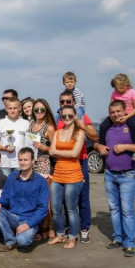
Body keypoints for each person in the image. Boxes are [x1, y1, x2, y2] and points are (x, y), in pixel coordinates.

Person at [95, 100, 135, 257]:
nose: (115, 115)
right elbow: (97, 144)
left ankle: (130, 243)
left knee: (127, 210)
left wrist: (125, 147)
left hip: (127, 175)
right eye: (112, 112)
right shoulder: (107, 128)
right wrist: (99, 147)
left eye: (118, 111)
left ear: (125, 111)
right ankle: (118, 238)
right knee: (114, 209)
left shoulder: (134, 126)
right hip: (109, 174)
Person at [56, 91, 99, 243]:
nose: (65, 104)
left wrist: (81, 126)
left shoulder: (82, 117)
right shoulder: (59, 119)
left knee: (83, 197)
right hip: (64, 162)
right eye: (62, 102)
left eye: (68, 101)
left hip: (80, 160)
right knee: (66, 199)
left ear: (74, 102)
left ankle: (85, 228)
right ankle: (70, 227)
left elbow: (95, 136)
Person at [0, 148, 49, 252]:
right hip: (13, 216)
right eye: (20, 160)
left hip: (30, 219)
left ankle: (22, 235)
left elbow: (43, 208)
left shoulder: (41, 181)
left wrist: (28, 224)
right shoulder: (12, 177)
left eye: (26, 160)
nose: (22, 163)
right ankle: (10, 241)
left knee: (22, 242)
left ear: (32, 161)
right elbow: (5, 197)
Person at [47, 105, 85, 249]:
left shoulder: (79, 133)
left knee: (71, 209)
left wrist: (57, 152)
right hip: (58, 175)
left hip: (73, 175)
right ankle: (60, 234)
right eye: (64, 116)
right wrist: (63, 152)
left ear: (75, 116)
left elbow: (75, 154)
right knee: (56, 209)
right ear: (61, 117)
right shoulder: (57, 132)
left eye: (70, 115)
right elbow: (51, 151)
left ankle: (73, 237)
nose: (67, 118)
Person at [28, 98, 56, 240]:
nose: (39, 112)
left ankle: (46, 228)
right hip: (31, 165)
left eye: (42, 109)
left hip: (44, 166)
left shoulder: (49, 128)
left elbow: (55, 150)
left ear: (47, 111)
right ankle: (36, 229)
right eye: (36, 109)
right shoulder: (31, 124)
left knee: (45, 201)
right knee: (33, 200)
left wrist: (43, 147)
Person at [99, 73, 135, 161]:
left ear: (127, 85)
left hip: (130, 114)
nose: (118, 90)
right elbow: (111, 106)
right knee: (103, 126)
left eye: (121, 88)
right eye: (116, 88)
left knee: (134, 126)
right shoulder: (114, 93)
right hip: (116, 115)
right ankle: (103, 147)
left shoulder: (133, 92)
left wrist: (126, 117)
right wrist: (113, 118)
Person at [0, 97, 29, 175]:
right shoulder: (0, 123)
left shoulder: (27, 124)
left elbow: (31, 143)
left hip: (21, 163)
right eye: (10, 108)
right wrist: (4, 148)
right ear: (6, 109)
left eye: (15, 108)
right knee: (6, 183)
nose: (12, 111)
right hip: (5, 163)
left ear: (20, 108)